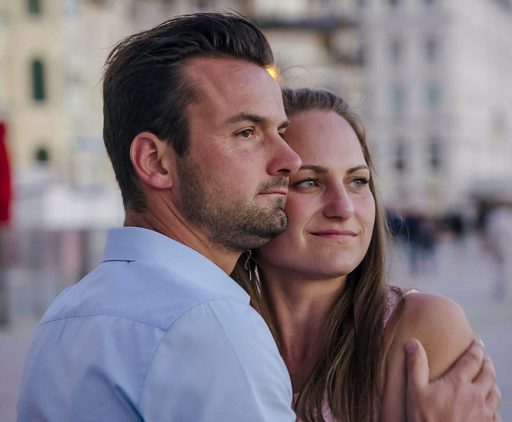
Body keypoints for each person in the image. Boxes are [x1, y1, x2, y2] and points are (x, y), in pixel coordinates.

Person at [17, 12, 498, 421]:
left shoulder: (62, 317)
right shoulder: (212, 328)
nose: (285, 161)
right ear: (155, 162)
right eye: (247, 133)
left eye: (359, 181)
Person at [234, 88, 501, 421]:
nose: (344, 207)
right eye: (309, 182)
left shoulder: (420, 330)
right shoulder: (217, 334)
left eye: (358, 181)